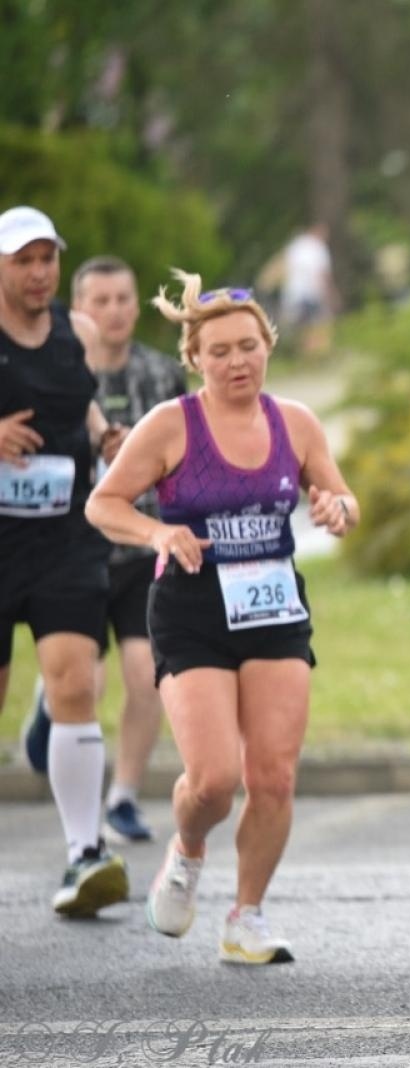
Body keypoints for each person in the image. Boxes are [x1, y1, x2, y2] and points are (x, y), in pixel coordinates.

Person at [86, 271, 359, 964]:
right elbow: (104, 504)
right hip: (192, 607)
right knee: (211, 779)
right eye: (220, 352)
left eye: (248, 347)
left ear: (267, 346)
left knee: (273, 775)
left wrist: (337, 508)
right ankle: (186, 850)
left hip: (273, 607)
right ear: (196, 359)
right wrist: (157, 535)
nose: (236, 361)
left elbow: (339, 496)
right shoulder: (172, 424)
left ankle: (248, 917)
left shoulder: (294, 422)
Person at [22, 256, 189, 845]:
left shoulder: (162, 375)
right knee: (83, 686)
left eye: (125, 299)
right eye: (102, 301)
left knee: (146, 674)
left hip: (145, 547)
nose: (116, 312)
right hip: (76, 545)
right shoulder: (58, 366)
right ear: (79, 311)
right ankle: (53, 703)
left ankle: (122, 797)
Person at [0, 205, 131, 917]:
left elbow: (79, 403)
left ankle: (86, 852)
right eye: (23, 260)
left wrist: (105, 435)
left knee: (75, 683)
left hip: (63, 539)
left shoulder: (74, 332)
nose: (38, 272)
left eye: (47, 258)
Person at [277, 224, 335, 357]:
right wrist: (330, 295)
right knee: (319, 324)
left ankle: (303, 355)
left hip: (293, 294)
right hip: (312, 293)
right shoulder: (318, 248)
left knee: (300, 328)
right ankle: (317, 355)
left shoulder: (295, 246)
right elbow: (322, 274)